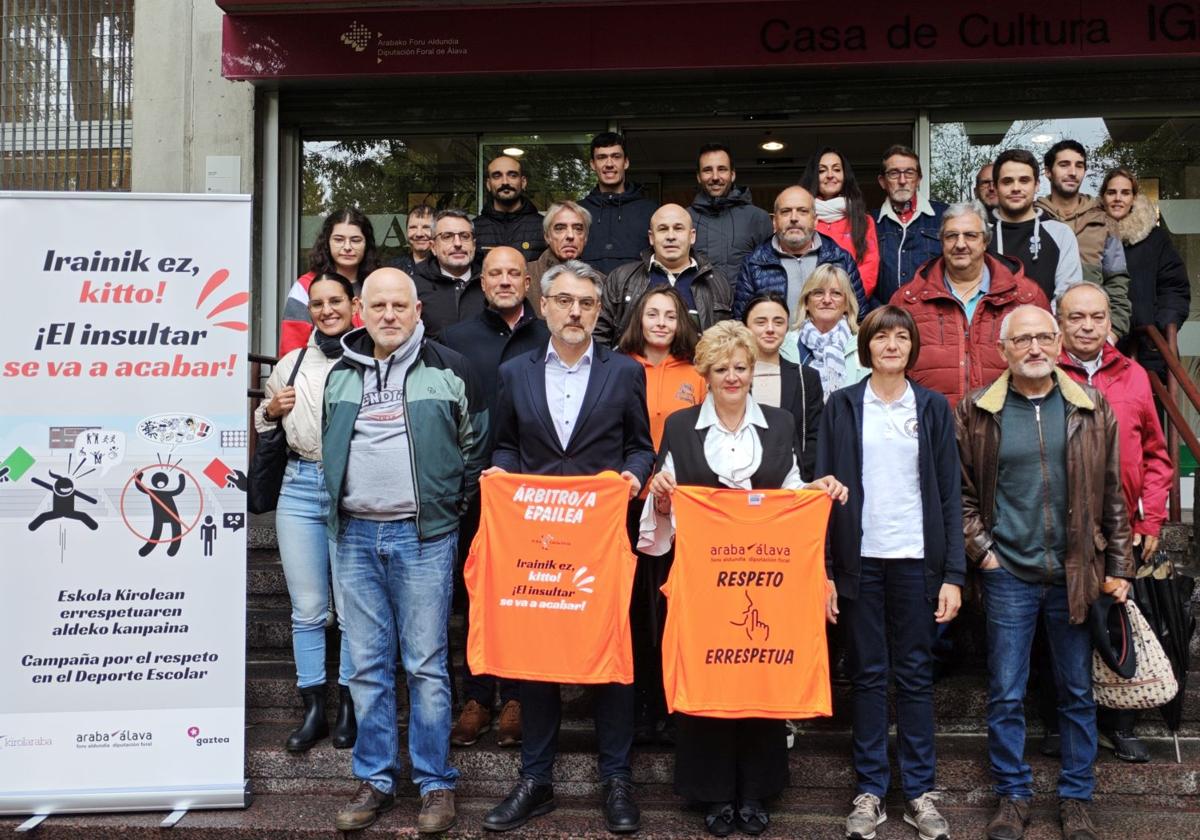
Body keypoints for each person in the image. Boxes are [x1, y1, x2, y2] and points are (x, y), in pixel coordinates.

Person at [638, 320, 846, 839]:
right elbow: (663, 509)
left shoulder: (779, 422)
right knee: (709, 674)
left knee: (759, 674)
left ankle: (756, 790)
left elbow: (794, 497)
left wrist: (819, 489)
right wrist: (662, 494)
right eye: (722, 368)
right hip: (702, 582)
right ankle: (711, 792)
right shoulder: (682, 427)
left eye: (741, 367)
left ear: (753, 370)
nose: (732, 376)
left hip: (767, 583)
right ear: (705, 373)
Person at [482, 259, 655, 834]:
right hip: (536, 545)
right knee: (537, 662)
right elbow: (505, 446)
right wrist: (498, 478)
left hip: (601, 542)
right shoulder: (515, 373)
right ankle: (536, 780)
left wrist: (632, 478)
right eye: (565, 301)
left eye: (586, 302)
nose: (575, 311)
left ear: (599, 310)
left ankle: (617, 779)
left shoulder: (625, 373)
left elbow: (640, 447)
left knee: (610, 660)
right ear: (545, 305)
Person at [956, 304, 1133, 840]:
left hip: (1076, 571)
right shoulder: (977, 411)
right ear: (1003, 349)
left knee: (1076, 692)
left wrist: (1119, 564)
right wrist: (983, 553)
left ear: (1058, 344)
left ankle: (1076, 799)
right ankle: (1012, 796)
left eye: (1043, 338)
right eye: (1022, 340)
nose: (1034, 348)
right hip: (1008, 571)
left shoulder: (1091, 406)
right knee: (1006, 692)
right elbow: (959, 495)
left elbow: (1112, 493)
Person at [322, 268, 489, 834]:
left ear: (418, 310)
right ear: (360, 312)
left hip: (423, 538)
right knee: (366, 667)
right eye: (378, 305)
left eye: (399, 305)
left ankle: (435, 783)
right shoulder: (339, 374)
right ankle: (373, 779)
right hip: (354, 538)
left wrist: (446, 505)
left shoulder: (450, 368)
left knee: (424, 665)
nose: (389, 314)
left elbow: (476, 446)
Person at [817, 305, 963, 840]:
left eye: (902, 337)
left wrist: (953, 574)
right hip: (861, 560)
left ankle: (921, 791)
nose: (893, 345)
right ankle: (871, 790)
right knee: (869, 674)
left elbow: (950, 492)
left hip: (917, 559)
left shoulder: (930, 408)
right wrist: (827, 569)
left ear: (912, 347)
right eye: (883, 337)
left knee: (916, 676)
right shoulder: (842, 406)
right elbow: (824, 491)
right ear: (868, 346)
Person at [1056, 282, 1172, 764]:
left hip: (1120, 524)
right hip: (1060, 523)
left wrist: (1152, 520)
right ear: (1060, 321)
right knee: (1061, 624)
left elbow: (1157, 456)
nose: (1087, 326)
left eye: (1096, 317)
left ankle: (1120, 723)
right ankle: (1058, 722)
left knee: (1116, 620)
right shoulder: (1043, 370)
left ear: (1109, 322)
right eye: (1076, 317)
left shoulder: (1136, 376)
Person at [440, 247, 551, 750]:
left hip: (535, 495)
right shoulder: (456, 342)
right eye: (495, 274)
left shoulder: (551, 339)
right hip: (473, 493)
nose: (505, 281)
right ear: (480, 284)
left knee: (528, 597)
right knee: (475, 596)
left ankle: (520, 698)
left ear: (528, 282)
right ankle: (478, 696)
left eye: (514, 273)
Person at [254, 272, 358, 754]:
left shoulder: (369, 359)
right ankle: (313, 706)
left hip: (352, 491)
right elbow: (266, 424)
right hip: (298, 487)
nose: (326, 310)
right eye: (318, 303)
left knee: (354, 609)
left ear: (353, 304)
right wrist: (271, 411)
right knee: (308, 610)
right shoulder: (291, 363)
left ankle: (351, 704)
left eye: (335, 300)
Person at [615, 286, 706, 746]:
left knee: (671, 610)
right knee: (632, 611)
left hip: (680, 510)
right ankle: (637, 708)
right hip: (628, 506)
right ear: (638, 317)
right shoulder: (616, 366)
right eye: (652, 313)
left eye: (670, 315)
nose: (661, 322)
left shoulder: (697, 373)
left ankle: (672, 704)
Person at [892, 201, 1049, 409]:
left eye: (970, 235)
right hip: (932, 427)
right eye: (951, 236)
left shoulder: (1025, 297)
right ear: (941, 242)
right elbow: (890, 369)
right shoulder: (908, 300)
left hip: (1006, 425)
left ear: (985, 241)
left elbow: (1049, 363)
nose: (960, 244)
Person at [596, 203, 733, 346]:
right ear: (651, 237)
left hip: (698, 368)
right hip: (637, 368)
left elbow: (730, 341)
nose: (671, 236)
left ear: (692, 236)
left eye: (678, 228)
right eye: (663, 229)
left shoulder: (717, 282)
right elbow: (599, 335)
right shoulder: (621, 278)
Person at [1035, 140, 1133, 337]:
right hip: (1041, 331)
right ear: (1047, 171)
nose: (1073, 172)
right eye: (1064, 165)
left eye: (1079, 166)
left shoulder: (1104, 221)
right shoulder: (1034, 218)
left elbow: (1117, 282)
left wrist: (1113, 332)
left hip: (1090, 333)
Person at [1101, 167, 1191, 378]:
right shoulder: (1092, 237)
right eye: (1111, 192)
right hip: (1102, 343)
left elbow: (1174, 286)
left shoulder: (1155, 238)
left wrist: (1160, 327)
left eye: (1125, 192)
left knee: (1150, 408)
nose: (1118, 198)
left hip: (1149, 346)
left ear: (1134, 197)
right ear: (1103, 197)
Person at [735, 185, 867, 319]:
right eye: (786, 211)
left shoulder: (841, 260)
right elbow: (741, 323)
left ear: (815, 221)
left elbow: (859, 317)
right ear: (774, 221)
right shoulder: (754, 264)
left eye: (802, 211)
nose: (794, 218)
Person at [742, 292, 823, 479]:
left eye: (778, 322)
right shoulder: (732, 377)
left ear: (787, 327)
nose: (770, 329)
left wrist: (802, 478)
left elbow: (814, 436)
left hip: (793, 484)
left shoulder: (806, 378)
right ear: (746, 327)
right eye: (760, 322)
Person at [279, 207, 378, 356]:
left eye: (355, 240)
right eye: (339, 240)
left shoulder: (377, 286)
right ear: (327, 242)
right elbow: (291, 351)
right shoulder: (305, 286)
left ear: (366, 244)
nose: (347, 247)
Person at [987, 149, 1082, 302]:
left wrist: (1041, 325)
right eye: (1007, 181)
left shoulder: (1060, 233)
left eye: (1024, 180)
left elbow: (1067, 298)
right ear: (996, 187)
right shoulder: (980, 234)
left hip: (1047, 325)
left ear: (1037, 185)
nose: (1016, 188)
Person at [780, 264, 869, 400]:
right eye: (818, 293)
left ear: (846, 304)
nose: (827, 300)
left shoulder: (863, 346)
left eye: (836, 293)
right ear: (806, 303)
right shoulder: (786, 344)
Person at [688, 143, 773, 283]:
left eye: (722, 169)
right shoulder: (685, 219)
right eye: (707, 170)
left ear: (732, 174)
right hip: (698, 304)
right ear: (698, 176)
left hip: (745, 304)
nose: (715, 177)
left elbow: (769, 272)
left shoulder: (757, 218)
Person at [801, 147, 880, 299]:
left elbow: (869, 269)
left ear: (845, 176)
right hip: (807, 306)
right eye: (822, 171)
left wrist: (845, 302)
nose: (830, 175)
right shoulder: (801, 218)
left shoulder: (863, 220)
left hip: (850, 308)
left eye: (836, 169)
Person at [873, 144, 947, 307]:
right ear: (882, 181)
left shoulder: (945, 217)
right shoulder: (869, 222)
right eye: (894, 173)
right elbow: (862, 278)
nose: (902, 180)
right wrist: (879, 314)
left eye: (909, 173)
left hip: (933, 319)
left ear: (919, 179)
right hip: (885, 321)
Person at [580, 132, 658, 274]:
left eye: (616, 157)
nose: (609, 164)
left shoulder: (651, 211)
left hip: (638, 295)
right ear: (592, 164)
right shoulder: (578, 212)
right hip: (588, 294)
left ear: (626, 162)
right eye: (601, 157)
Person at [411, 209, 485, 338]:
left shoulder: (490, 283)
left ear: (473, 245)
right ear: (433, 247)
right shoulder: (413, 287)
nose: (457, 243)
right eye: (447, 236)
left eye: (465, 236)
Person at [529, 200, 604, 311]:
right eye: (560, 228)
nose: (570, 235)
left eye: (578, 229)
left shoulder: (602, 282)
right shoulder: (525, 275)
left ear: (586, 238)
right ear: (547, 236)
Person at [473, 154, 547, 261]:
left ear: (523, 182)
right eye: (497, 176)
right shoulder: (474, 229)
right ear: (488, 184)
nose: (505, 182)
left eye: (512, 175)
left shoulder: (544, 227)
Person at [391, 205, 435, 275]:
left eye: (426, 227)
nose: (419, 234)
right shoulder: (394, 268)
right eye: (413, 227)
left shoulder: (446, 266)